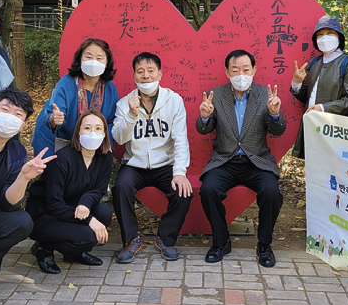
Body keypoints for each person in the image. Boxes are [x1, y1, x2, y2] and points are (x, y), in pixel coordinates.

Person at [196, 49, 286, 267]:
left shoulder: (265, 95)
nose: (241, 74)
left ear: (254, 70)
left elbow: (278, 130)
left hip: (256, 161)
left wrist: (274, 113)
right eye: (235, 70)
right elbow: (202, 130)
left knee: (272, 192)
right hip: (225, 161)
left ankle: (264, 245)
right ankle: (221, 242)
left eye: (246, 69)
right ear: (227, 72)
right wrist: (205, 117)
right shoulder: (216, 94)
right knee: (208, 189)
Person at [112, 52, 192, 263]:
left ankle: (165, 239)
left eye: (150, 71)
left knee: (183, 192)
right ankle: (131, 240)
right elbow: (119, 138)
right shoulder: (124, 103)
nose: (146, 76)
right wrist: (131, 115)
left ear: (160, 73)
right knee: (120, 188)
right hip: (135, 164)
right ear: (134, 76)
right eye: (140, 72)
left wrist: (180, 173)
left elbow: (181, 140)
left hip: (165, 163)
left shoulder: (173, 101)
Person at [0, 89, 54, 288]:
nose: (10, 117)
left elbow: (7, 203)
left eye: (18, 114)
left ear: (23, 125)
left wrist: (23, 178)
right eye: (5, 109)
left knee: (21, 222)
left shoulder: (17, 152)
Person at [26, 110, 113, 274]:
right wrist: (88, 219)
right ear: (78, 132)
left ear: (104, 133)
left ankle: (73, 253)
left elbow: (99, 190)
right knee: (88, 236)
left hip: (71, 207)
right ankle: (43, 247)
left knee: (104, 213)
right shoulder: (62, 159)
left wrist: (84, 203)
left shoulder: (105, 157)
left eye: (98, 128)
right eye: (87, 128)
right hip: (45, 213)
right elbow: (54, 204)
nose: (92, 133)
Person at [32, 38, 118, 158]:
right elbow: (53, 116)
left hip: (92, 141)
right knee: (58, 173)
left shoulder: (109, 88)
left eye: (99, 58)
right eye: (88, 57)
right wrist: (54, 118)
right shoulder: (66, 84)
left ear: (107, 62)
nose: (94, 61)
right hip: (59, 140)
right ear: (80, 59)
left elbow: (111, 120)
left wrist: (106, 142)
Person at [291, 15, 348, 158]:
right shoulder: (313, 63)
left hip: (334, 129)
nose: (324, 38)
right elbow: (305, 97)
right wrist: (296, 82)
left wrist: (323, 108)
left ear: (339, 37)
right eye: (320, 34)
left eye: (330, 33)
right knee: (312, 168)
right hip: (311, 126)